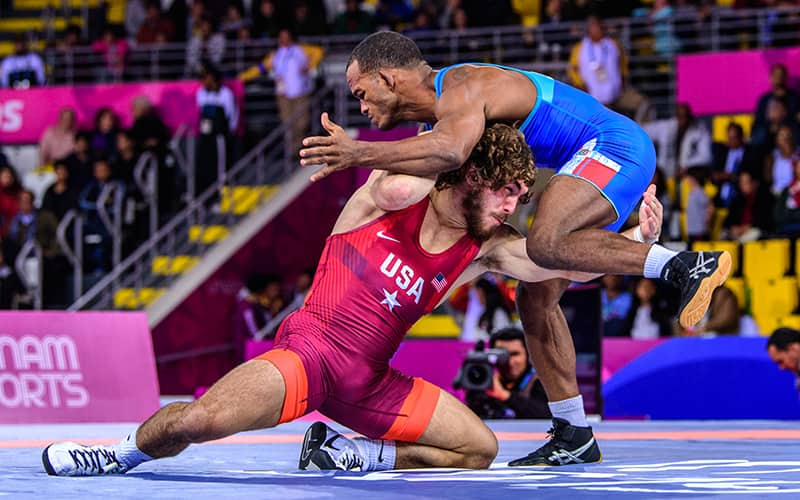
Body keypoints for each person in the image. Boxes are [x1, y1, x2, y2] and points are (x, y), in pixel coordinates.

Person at [41, 124, 663, 476]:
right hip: (308, 357)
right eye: (507, 193)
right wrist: (452, 138)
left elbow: (558, 265)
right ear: (472, 177)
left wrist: (636, 241)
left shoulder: (485, 246)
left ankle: (348, 453)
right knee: (200, 421)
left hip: (370, 384)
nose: (513, 207)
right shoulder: (391, 194)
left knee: (479, 448)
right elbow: (420, 162)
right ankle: (117, 453)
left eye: (520, 197)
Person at [298, 31, 731, 466]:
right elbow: (427, 166)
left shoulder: (460, 88)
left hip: (611, 145)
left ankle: (685, 266)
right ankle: (574, 432)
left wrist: (357, 153)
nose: (361, 107)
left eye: (361, 93)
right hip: (583, 162)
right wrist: (636, 241)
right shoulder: (438, 124)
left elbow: (449, 152)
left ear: (388, 79)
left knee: (546, 240)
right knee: (535, 292)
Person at [465, 327, 551, 420]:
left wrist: (505, 396)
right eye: (502, 355)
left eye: (515, 354)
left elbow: (547, 415)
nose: (510, 361)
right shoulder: (487, 383)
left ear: (528, 354)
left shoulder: (541, 382)